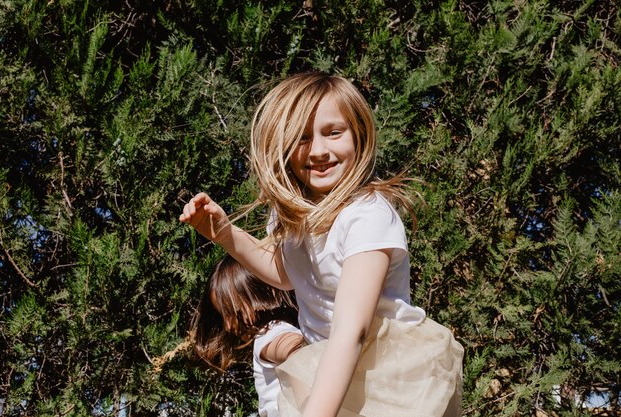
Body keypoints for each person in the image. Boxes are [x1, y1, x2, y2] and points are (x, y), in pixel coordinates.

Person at [180, 72, 464, 417]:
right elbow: (287, 274)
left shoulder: (367, 215)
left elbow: (352, 329)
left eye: (333, 133)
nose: (318, 151)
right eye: (301, 138)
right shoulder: (296, 216)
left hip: (383, 371)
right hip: (331, 363)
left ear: (358, 135)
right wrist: (227, 235)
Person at [188, 255, 305, 417]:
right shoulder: (275, 333)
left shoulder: (268, 334)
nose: (228, 326)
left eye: (231, 312)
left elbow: (298, 351)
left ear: (261, 294)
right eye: (222, 316)